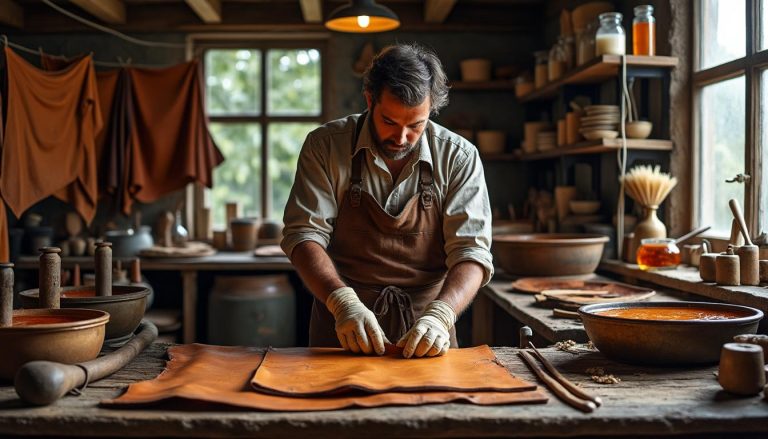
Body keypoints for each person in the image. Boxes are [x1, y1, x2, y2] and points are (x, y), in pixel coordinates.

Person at [281, 43, 493, 359]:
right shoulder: (326, 146)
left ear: (431, 108)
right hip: (342, 327)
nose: (402, 137)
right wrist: (343, 302)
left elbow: (472, 252)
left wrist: (441, 315)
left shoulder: (459, 157)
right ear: (370, 100)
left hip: (426, 331)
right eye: (390, 122)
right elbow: (304, 236)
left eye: (416, 125)